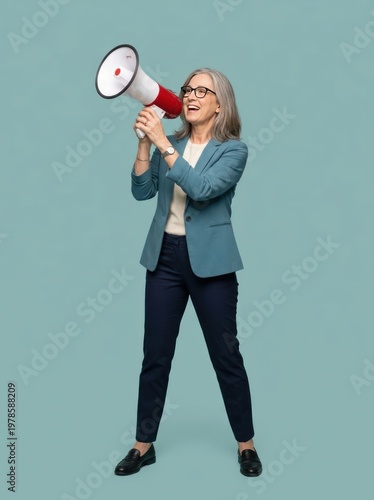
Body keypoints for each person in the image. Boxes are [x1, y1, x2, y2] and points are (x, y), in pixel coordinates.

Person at [114, 68, 262, 477]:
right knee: (155, 356)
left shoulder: (234, 151)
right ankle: (143, 446)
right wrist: (145, 146)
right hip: (164, 258)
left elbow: (202, 189)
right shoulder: (171, 143)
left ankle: (246, 444)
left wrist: (162, 144)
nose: (191, 96)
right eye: (187, 90)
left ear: (220, 102)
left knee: (226, 355)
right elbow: (142, 192)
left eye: (202, 90)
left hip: (212, 265)